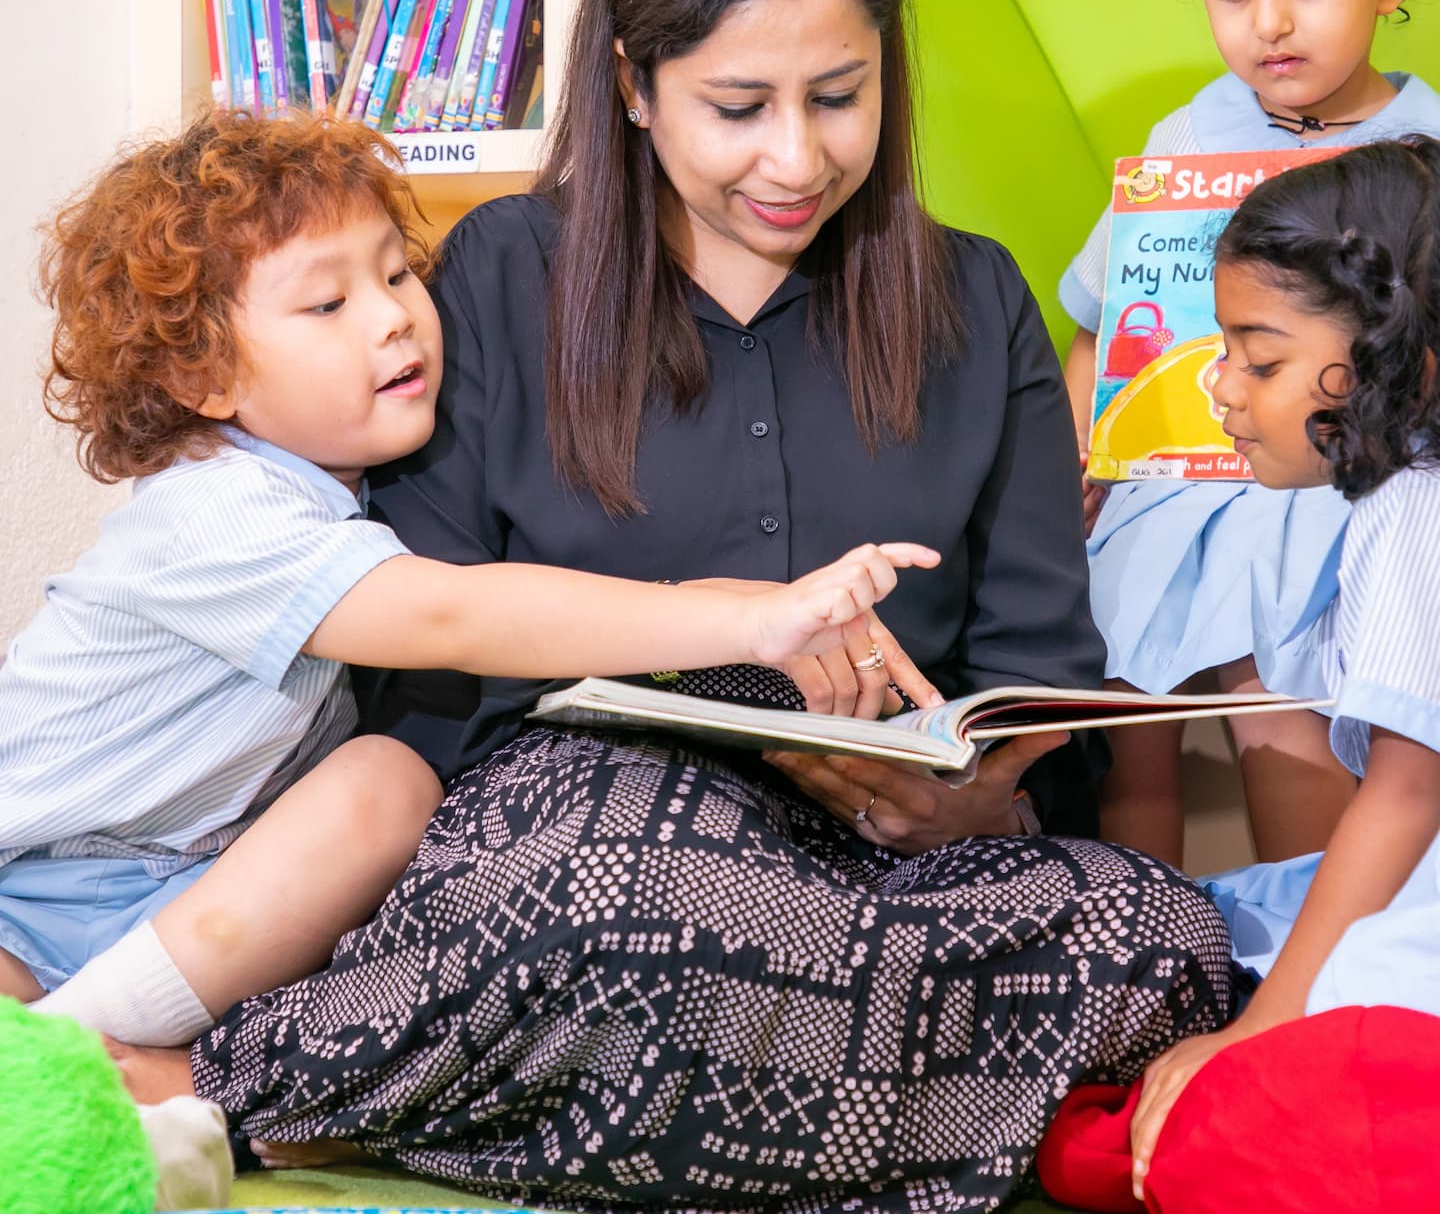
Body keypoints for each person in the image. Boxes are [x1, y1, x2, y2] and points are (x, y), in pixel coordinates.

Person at [118, 0, 1234, 1214]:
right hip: (591, 845)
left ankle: (498, 1101)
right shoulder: (505, 275)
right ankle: (243, 1084)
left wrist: (970, 800)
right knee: (628, 907)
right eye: (739, 106)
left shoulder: (975, 297)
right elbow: (433, 663)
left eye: (841, 96)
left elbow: (1036, 661)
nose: (797, 156)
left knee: (1163, 940)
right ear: (635, 84)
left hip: (886, 877)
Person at [2, 110, 935, 1050]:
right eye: (327, 305)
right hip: (26, 886)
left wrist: (772, 608)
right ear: (202, 378)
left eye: (396, 273)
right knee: (385, 782)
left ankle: (79, 1045)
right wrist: (746, 628)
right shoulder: (213, 508)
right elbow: (450, 615)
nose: (393, 316)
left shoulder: (353, 498)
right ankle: (63, 1055)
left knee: (383, 789)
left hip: (181, 891)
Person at [1058, 0, 1440, 866]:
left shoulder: (1438, 165)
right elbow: (1105, 323)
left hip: (1331, 490)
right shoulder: (1182, 142)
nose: (1269, 22)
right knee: (1121, 715)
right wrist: (1076, 457)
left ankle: (1310, 927)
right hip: (1173, 478)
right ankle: (1137, 926)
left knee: (1275, 696)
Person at [1128, 136, 1440, 1194]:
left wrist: (1263, 1029)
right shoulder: (1426, 495)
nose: (1220, 387)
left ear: (1406, 363)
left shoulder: (1428, 511)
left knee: (1239, 1112)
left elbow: (1411, 793)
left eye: (1262, 361)